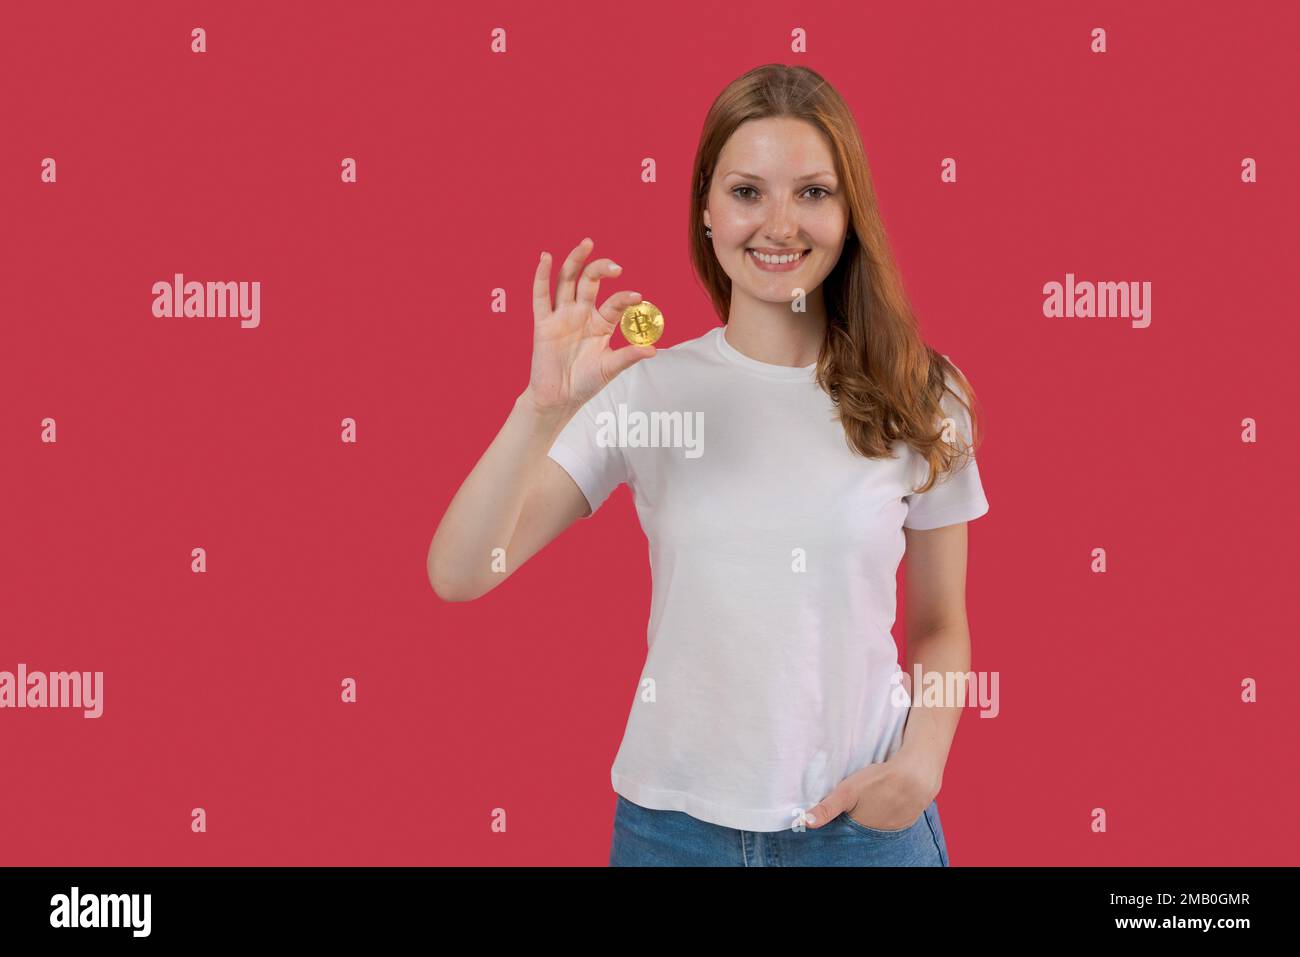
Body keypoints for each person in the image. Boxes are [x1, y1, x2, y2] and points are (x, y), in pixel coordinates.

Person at [427, 63, 989, 867]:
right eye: (748, 191)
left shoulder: (923, 394)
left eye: (813, 192)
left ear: (850, 210)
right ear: (706, 209)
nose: (780, 224)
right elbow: (461, 571)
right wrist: (540, 410)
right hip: (671, 832)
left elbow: (941, 625)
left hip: (862, 832)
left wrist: (922, 766)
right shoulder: (647, 387)